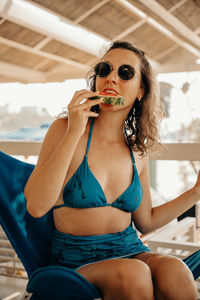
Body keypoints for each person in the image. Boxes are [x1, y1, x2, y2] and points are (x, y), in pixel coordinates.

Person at [24, 41, 200, 300]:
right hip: (76, 261)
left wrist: (196, 192)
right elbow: (36, 206)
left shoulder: (137, 151)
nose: (111, 79)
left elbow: (146, 221)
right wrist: (74, 130)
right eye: (104, 70)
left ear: (140, 90)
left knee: (176, 270)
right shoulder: (64, 130)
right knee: (133, 273)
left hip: (130, 250)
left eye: (125, 73)